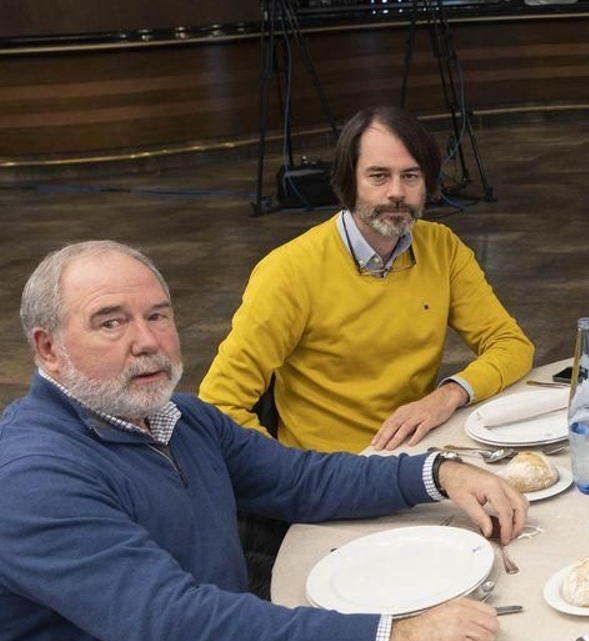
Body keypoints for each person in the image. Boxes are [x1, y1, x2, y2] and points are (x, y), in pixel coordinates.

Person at [0, 241, 525, 641]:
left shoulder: (179, 419)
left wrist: (437, 473)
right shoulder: (34, 476)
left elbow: (302, 480)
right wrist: (401, 635)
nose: (146, 340)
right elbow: (178, 631)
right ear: (48, 348)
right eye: (110, 321)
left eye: (158, 315)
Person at [200, 106, 533, 456]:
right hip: (332, 475)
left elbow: (511, 344)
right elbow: (220, 403)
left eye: (410, 176)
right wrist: (290, 474)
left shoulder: (442, 247)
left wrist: (447, 395)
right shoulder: (289, 271)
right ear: (348, 181)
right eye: (378, 176)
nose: (396, 193)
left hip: (418, 458)